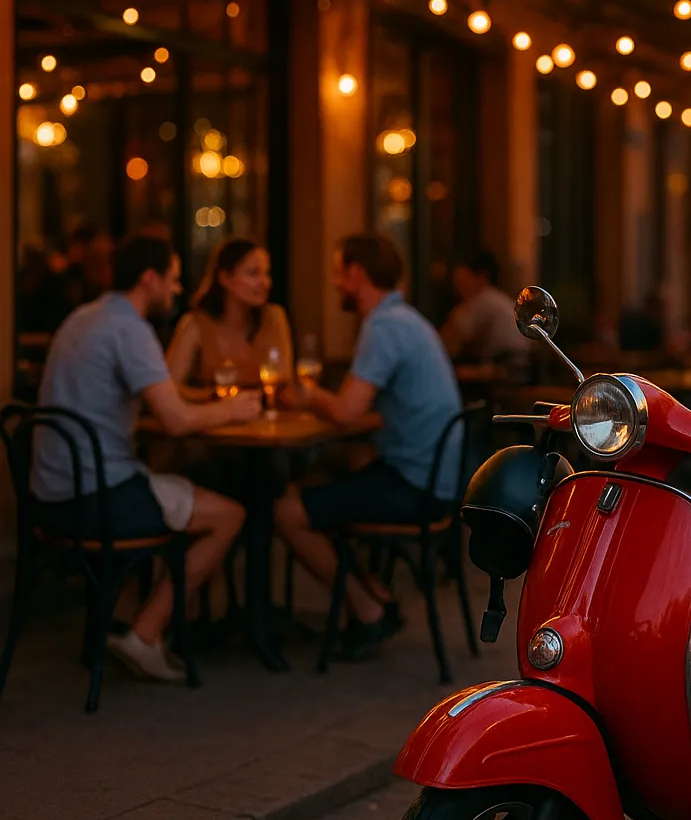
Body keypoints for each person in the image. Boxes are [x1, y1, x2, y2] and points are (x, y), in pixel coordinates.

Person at [31, 234, 262, 683]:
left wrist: (207, 400)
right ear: (149, 279)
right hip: (99, 497)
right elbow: (175, 420)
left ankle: (126, 625)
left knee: (174, 486)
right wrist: (233, 408)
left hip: (51, 496)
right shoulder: (130, 330)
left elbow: (164, 400)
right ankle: (145, 633)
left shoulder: (84, 318)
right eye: (173, 280)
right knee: (230, 514)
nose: (177, 290)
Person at [274, 232, 462, 660]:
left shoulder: (383, 326)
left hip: (415, 487)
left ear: (357, 274)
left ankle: (367, 608)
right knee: (318, 479)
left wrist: (307, 395)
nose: (336, 284)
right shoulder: (408, 319)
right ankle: (372, 594)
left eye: (339, 274)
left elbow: (345, 412)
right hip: (437, 479)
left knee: (287, 511)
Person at [166, 238, 293, 389]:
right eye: (253, 274)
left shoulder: (274, 317)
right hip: (214, 410)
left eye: (266, 273)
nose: (264, 282)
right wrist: (211, 398)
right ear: (225, 278)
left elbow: (285, 383)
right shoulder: (196, 324)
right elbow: (168, 388)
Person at [440, 250, 525, 368]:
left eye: (462, 282)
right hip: (518, 368)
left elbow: (448, 342)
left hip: (503, 373)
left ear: (481, 278)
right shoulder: (497, 298)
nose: (457, 290)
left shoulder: (483, 300)